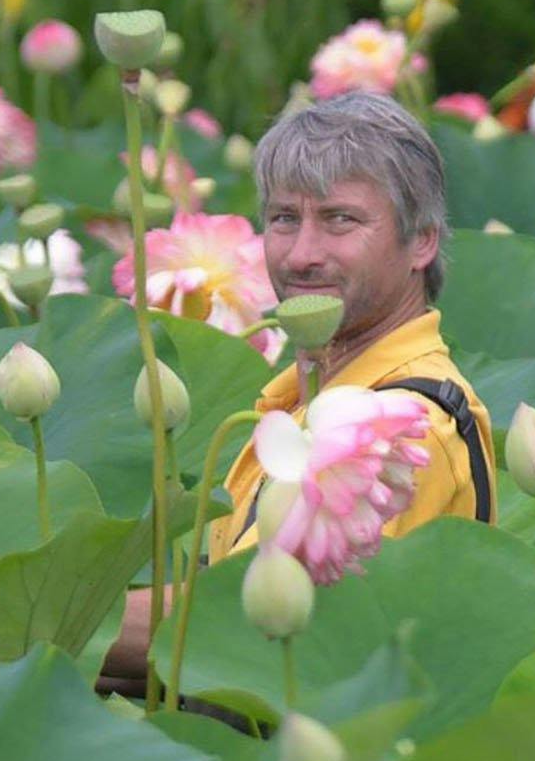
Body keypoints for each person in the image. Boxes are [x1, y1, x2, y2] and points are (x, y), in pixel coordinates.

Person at [100, 91, 494, 691]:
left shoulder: (406, 429)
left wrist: (32, 626)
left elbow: (244, 623)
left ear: (423, 242)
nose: (302, 255)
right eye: (284, 218)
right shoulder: (303, 404)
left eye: (341, 219)